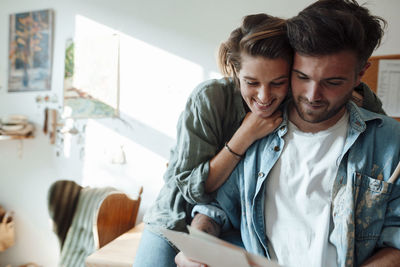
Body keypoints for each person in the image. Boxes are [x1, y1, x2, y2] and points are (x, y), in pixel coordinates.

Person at [134, 9, 385, 267]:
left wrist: (347, 95)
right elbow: (191, 189)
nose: (264, 97)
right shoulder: (210, 99)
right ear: (235, 72)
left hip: (237, 220)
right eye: (251, 82)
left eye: (277, 83)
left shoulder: (300, 101)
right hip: (178, 212)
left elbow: (379, 126)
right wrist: (246, 134)